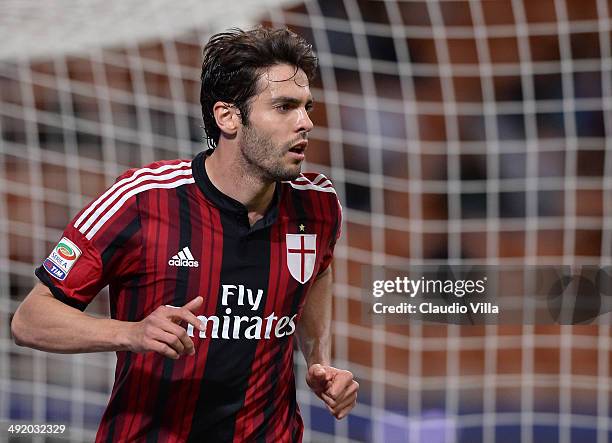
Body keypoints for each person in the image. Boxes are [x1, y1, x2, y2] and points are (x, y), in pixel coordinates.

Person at [11, 27, 358, 442]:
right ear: (228, 116)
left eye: (307, 107)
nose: (306, 122)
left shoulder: (318, 205)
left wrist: (320, 361)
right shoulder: (141, 200)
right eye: (284, 107)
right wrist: (131, 333)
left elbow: (317, 270)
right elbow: (30, 320)